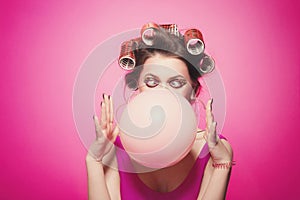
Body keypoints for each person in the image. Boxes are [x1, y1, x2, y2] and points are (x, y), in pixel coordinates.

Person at [86, 23, 234, 200]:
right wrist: (93, 161)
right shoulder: (113, 149)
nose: (163, 93)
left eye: (176, 83)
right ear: (138, 87)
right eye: (151, 82)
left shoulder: (214, 150)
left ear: (193, 91)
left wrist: (222, 165)